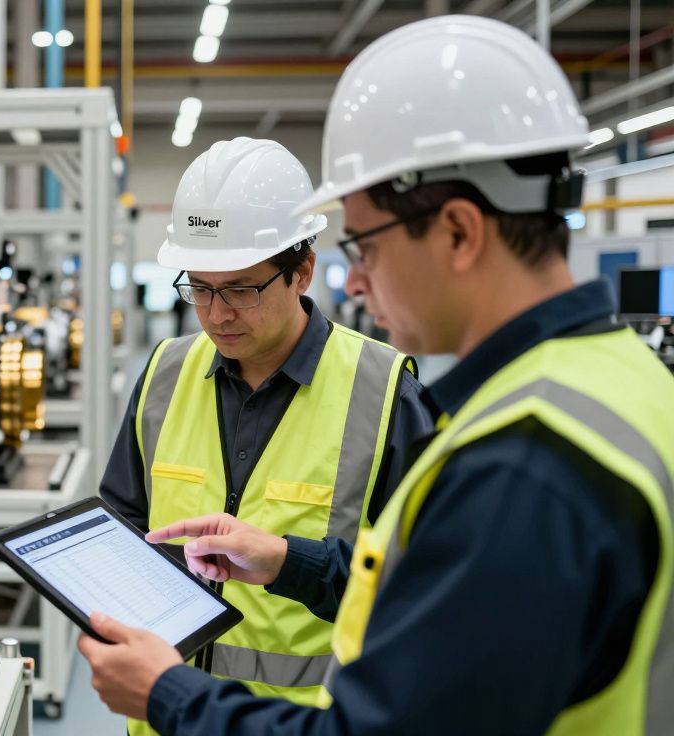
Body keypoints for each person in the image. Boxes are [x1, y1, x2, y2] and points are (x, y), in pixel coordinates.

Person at [79, 15, 674, 735]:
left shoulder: (526, 462)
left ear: (458, 231)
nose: (356, 280)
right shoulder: (623, 385)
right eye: (200, 287)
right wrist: (289, 561)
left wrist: (168, 696)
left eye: (365, 244)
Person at [100, 136, 430, 730]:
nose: (217, 314)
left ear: (301, 270)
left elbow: (419, 592)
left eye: (241, 289)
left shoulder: (382, 392)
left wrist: (292, 563)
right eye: (199, 287)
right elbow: (122, 521)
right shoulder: (165, 374)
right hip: (160, 719)